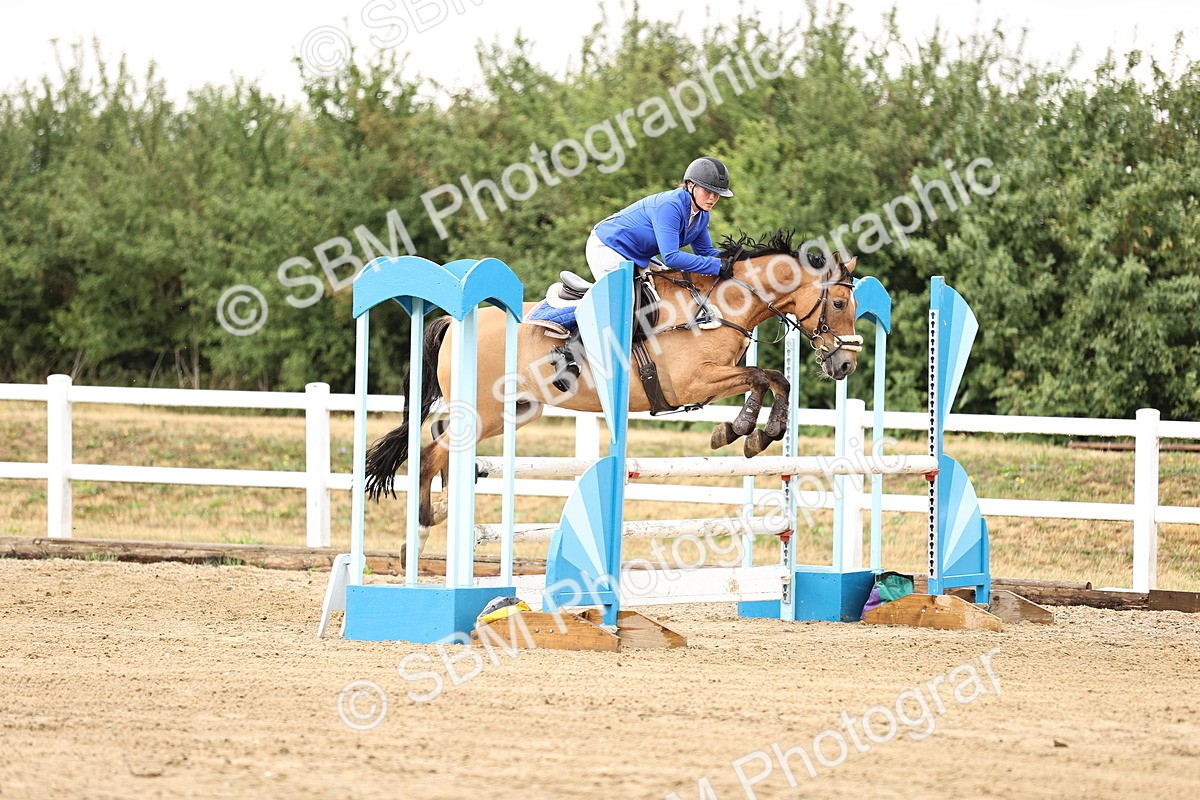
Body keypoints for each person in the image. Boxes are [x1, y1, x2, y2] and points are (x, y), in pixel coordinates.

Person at [548, 156, 736, 391]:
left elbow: (707, 252)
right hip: (608, 245)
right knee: (625, 300)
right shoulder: (672, 205)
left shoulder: (700, 216)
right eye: (708, 191)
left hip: (635, 255)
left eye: (717, 194)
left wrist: (737, 260)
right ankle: (567, 353)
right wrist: (717, 266)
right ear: (690, 186)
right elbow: (672, 257)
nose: (712, 198)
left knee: (665, 286)